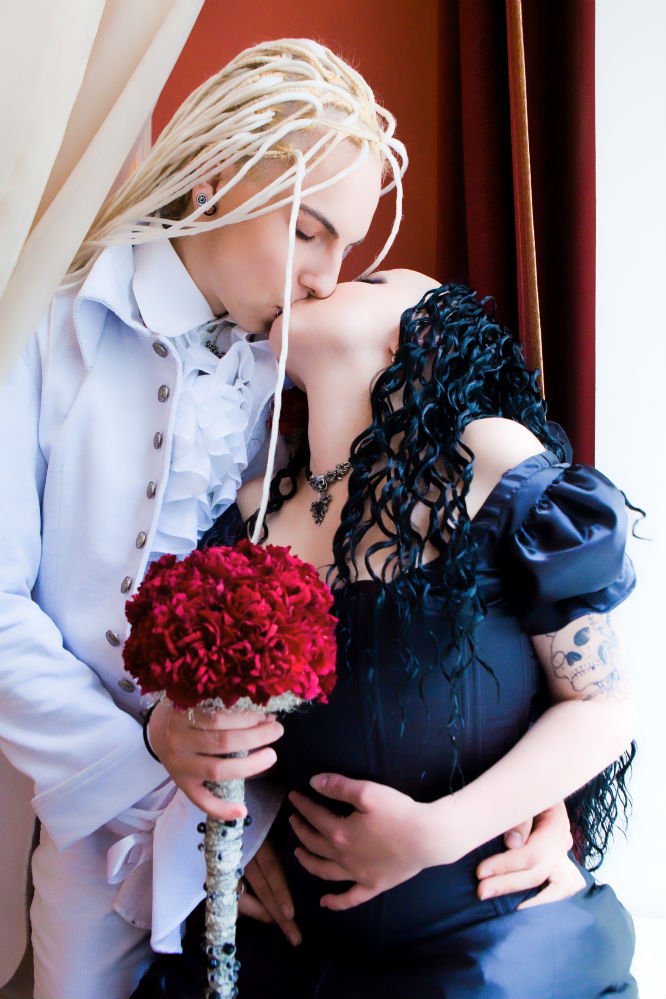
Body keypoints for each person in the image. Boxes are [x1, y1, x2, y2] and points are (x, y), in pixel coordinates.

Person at [0, 40, 574, 999]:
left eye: (348, 250)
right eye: (309, 232)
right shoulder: (49, 330)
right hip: (87, 815)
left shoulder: (310, 362)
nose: (326, 278)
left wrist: (523, 799)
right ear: (221, 175)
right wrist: (145, 770)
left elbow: (425, 603)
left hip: (274, 826)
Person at [149, 270, 635, 998]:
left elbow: (603, 705)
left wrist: (441, 832)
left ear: (425, 336)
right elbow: (217, 720)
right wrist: (221, 808)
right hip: (292, 942)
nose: (322, 277)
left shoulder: (489, 463)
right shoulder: (248, 510)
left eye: (371, 276)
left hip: (485, 940)